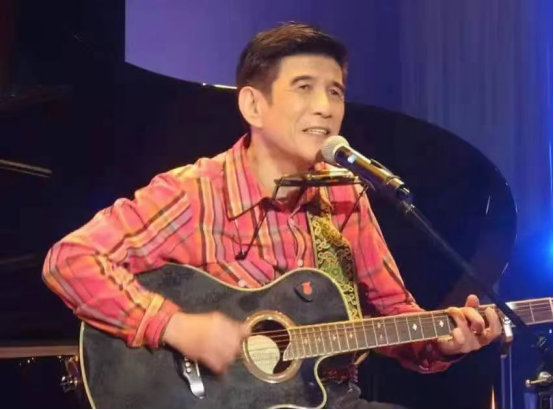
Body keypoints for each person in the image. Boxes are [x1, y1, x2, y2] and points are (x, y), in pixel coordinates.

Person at [43, 22, 502, 409]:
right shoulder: (193, 192)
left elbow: (395, 315)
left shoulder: (345, 195)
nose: (325, 107)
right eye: (304, 88)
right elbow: (70, 260)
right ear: (253, 105)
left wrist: (444, 342)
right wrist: (176, 326)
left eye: (336, 92)